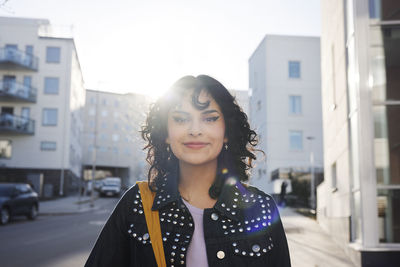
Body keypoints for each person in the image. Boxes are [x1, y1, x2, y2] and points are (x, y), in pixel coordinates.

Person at [84, 75, 291, 267]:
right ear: (166, 133)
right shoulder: (137, 203)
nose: (194, 130)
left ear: (226, 131)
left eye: (209, 118)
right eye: (181, 119)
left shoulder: (262, 208)